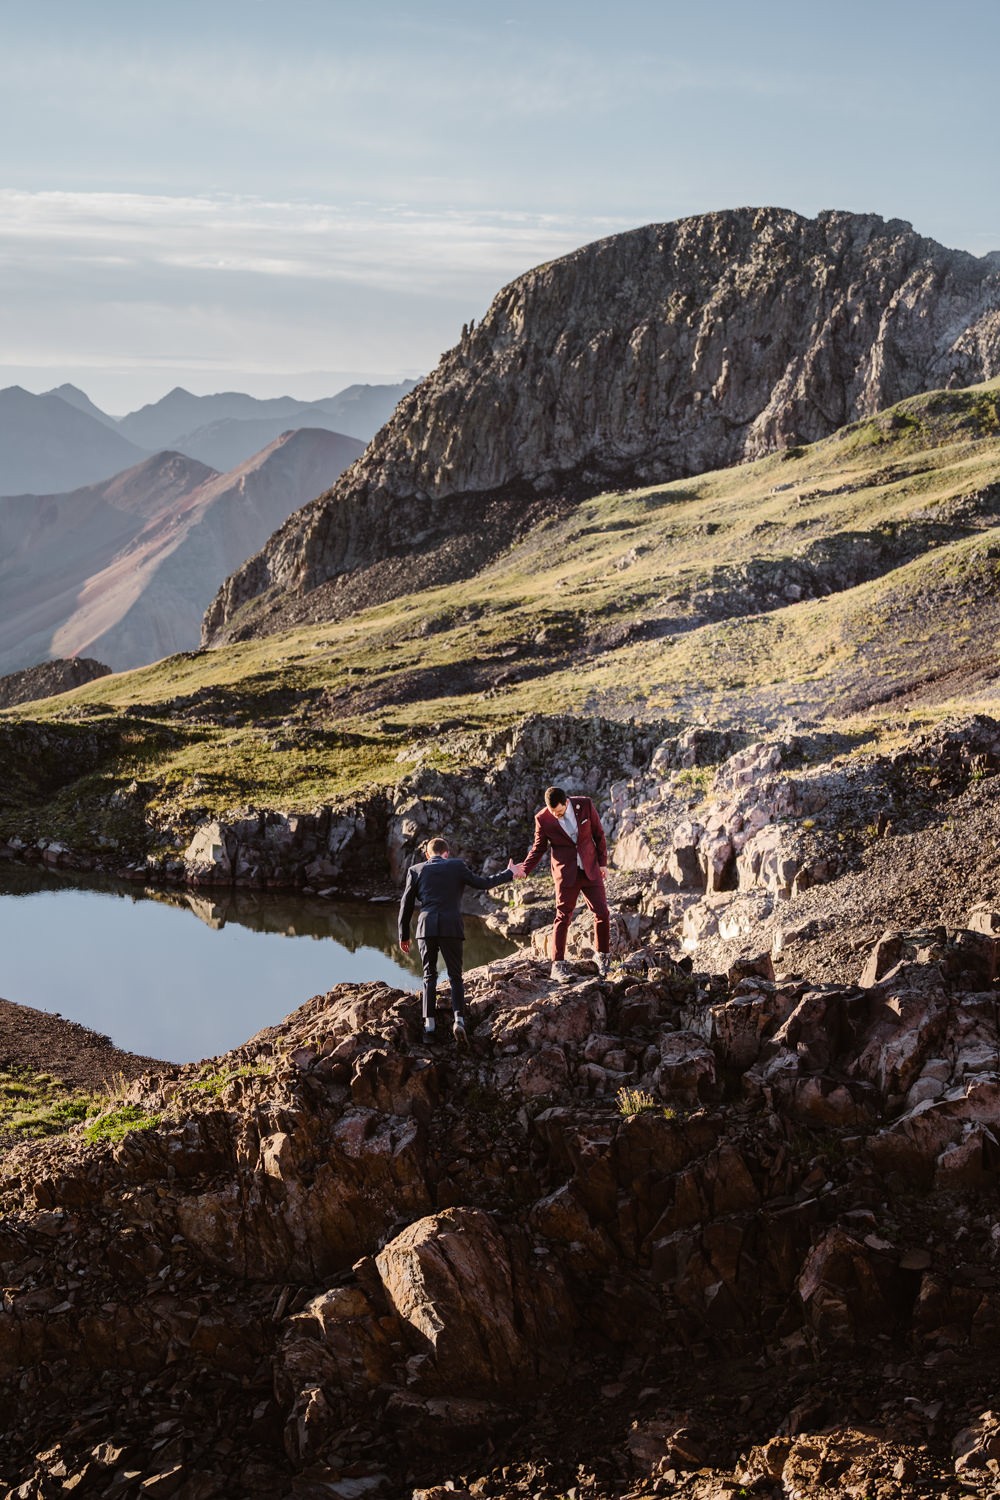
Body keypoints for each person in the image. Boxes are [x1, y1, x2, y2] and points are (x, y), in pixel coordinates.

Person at [398, 836, 517, 1046]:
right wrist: (510, 873)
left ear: (427, 854)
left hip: (426, 927)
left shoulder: (416, 870)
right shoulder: (457, 866)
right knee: (455, 976)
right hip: (451, 926)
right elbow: (483, 883)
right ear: (446, 853)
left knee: (429, 975)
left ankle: (429, 1026)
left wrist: (403, 935)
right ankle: (459, 1020)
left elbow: (406, 904)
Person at [513, 786, 611, 983]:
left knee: (602, 913)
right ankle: (557, 965)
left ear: (566, 802)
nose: (556, 816)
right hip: (566, 874)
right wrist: (525, 868)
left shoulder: (585, 804)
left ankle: (603, 958)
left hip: (590, 868)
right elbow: (539, 847)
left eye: (559, 812)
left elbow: (598, 834)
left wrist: (602, 863)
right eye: (552, 812)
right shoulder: (543, 818)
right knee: (563, 916)